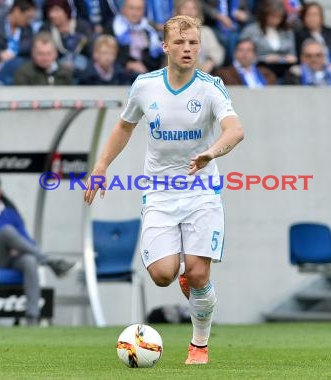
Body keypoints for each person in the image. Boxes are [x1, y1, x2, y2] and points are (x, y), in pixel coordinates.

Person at [84, 15, 244, 364]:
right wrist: (101, 165)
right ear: (166, 47)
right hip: (159, 192)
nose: (187, 49)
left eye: (193, 43)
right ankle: (185, 283)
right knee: (162, 275)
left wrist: (211, 152)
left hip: (201, 190)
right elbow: (124, 127)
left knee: (199, 272)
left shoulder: (211, 86)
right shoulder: (145, 86)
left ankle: (199, 344)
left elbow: (235, 130)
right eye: (180, 43)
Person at [0, 172, 78, 325]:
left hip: (12, 258)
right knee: (7, 231)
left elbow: (29, 240)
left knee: (30, 260)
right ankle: (51, 262)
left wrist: (18, 248)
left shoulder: (10, 214)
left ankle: (32, 317)